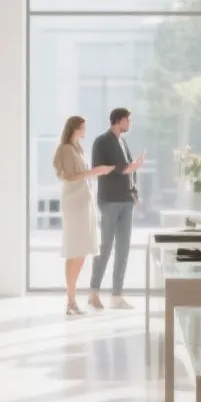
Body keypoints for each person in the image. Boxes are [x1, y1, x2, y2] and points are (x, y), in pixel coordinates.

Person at [53, 115, 114, 316]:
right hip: (74, 204)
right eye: (84, 127)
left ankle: (71, 300)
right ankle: (70, 300)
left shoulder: (78, 148)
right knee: (75, 251)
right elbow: (69, 177)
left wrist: (94, 172)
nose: (86, 130)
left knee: (79, 252)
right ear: (77, 128)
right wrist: (96, 171)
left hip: (84, 202)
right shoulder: (65, 149)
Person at [89, 107, 145, 308]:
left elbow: (130, 171)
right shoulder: (102, 141)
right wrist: (123, 169)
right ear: (119, 121)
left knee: (123, 249)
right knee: (105, 247)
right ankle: (93, 291)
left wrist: (134, 193)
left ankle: (116, 295)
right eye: (128, 120)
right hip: (109, 201)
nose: (129, 124)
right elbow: (98, 169)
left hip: (126, 201)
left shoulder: (123, 141)